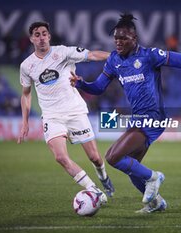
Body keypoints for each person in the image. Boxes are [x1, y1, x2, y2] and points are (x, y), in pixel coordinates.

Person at [70, 14, 181, 213]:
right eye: (116, 38)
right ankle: (156, 203)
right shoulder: (113, 61)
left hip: (153, 117)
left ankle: (154, 177)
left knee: (112, 157)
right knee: (132, 167)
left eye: (123, 38)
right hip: (138, 117)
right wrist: (82, 84)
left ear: (134, 39)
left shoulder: (149, 55)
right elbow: (99, 87)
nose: (118, 42)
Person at [17, 21, 115, 201]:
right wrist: (24, 121)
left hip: (75, 111)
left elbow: (92, 55)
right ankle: (94, 191)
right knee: (61, 157)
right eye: (37, 35)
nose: (41, 38)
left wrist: (115, 56)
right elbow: (26, 94)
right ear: (31, 39)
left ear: (49, 36)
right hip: (52, 116)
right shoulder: (26, 66)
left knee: (94, 157)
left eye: (44, 33)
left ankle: (103, 177)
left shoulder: (62, 52)